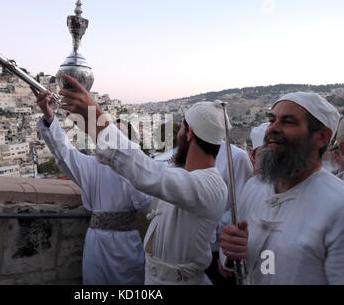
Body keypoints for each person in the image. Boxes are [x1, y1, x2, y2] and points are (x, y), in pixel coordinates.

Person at [57, 74, 228, 285]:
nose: (177, 134)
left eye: (181, 127)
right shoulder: (185, 176)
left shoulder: (210, 186)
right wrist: (90, 123)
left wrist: (96, 114)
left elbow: (146, 173)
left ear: (189, 133)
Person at [220, 91, 344, 284]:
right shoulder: (254, 187)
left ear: (322, 136)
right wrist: (231, 251)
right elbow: (236, 268)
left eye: (288, 121)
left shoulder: (338, 206)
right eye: (272, 120)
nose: (273, 129)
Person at [33, 88, 152, 285]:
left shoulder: (135, 170)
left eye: (119, 135)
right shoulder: (93, 165)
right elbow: (65, 152)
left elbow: (144, 204)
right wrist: (49, 115)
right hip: (96, 245)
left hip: (125, 247)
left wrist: (129, 170)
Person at [206, 141, 253, 284]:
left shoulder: (236, 157)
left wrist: (226, 255)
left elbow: (240, 210)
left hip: (220, 250)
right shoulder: (186, 153)